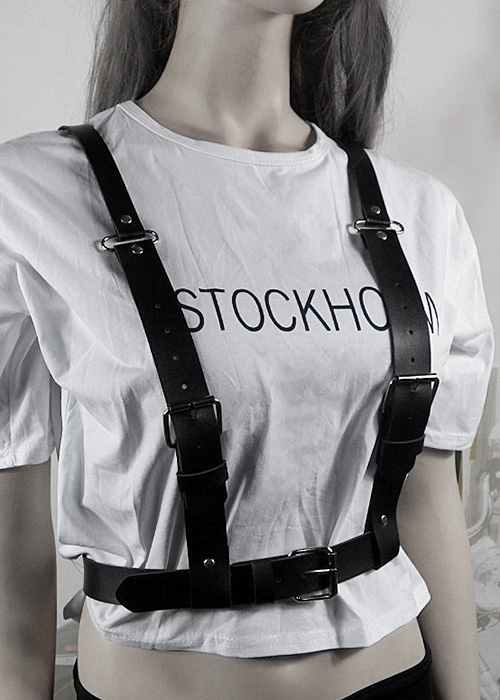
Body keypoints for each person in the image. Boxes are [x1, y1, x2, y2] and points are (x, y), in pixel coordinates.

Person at [0, 1, 494, 699]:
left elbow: (424, 496)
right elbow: (11, 555)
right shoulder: (28, 196)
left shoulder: (423, 213)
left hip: (392, 677)